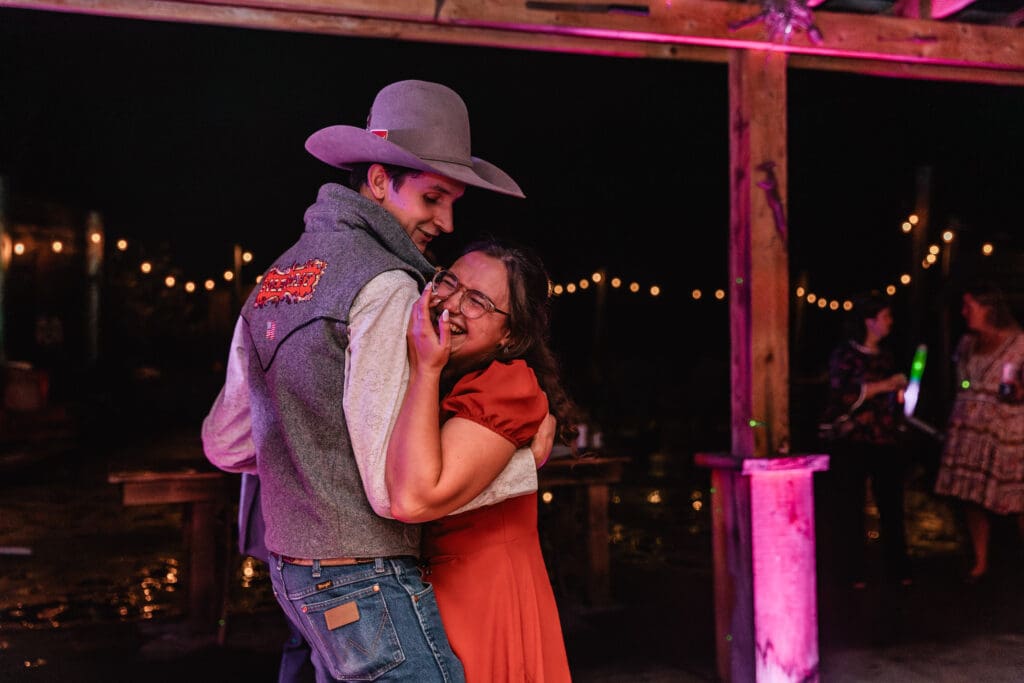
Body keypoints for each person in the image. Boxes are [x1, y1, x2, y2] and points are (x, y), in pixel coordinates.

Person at [201, 79, 544, 682]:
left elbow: (226, 442)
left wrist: (309, 458)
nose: (445, 220)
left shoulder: (279, 278)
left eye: (454, 201)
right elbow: (399, 494)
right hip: (363, 570)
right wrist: (520, 464)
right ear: (380, 181)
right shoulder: (386, 285)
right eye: (434, 198)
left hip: (292, 571)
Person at [386, 238, 581, 682]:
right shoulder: (450, 378)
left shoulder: (504, 386)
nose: (450, 305)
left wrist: (426, 368)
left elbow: (416, 498)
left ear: (510, 334)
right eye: (449, 282)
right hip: (438, 590)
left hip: (484, 597)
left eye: (476, 302)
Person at [817, 293, 912, 589]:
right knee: (850, 506)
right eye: (885, 317)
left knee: (891, 506)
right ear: (869, 322)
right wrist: (884, 385)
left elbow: (893, 401)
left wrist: (899, 395)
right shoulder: (845, 355)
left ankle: (898, 570)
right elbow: (843, 395)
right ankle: (851, 571)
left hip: (884, 439)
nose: (890, 323)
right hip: (853, 440)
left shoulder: (886, 357)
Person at [933, 279, 1024, 582]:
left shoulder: (1018, 343)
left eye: (969, 306)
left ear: (988, 309)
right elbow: (962, 381)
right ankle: (981, 559)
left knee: (1015, 498)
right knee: (971, 496)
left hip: (1006, 428)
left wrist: (1019, 392)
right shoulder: (967, 344)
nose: (964, 312)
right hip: (970, 428)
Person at [238, 474, 315, 683]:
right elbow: (225, 449)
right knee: (308, 640)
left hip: (289, 529)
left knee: (306, 640)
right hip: (294, 527)